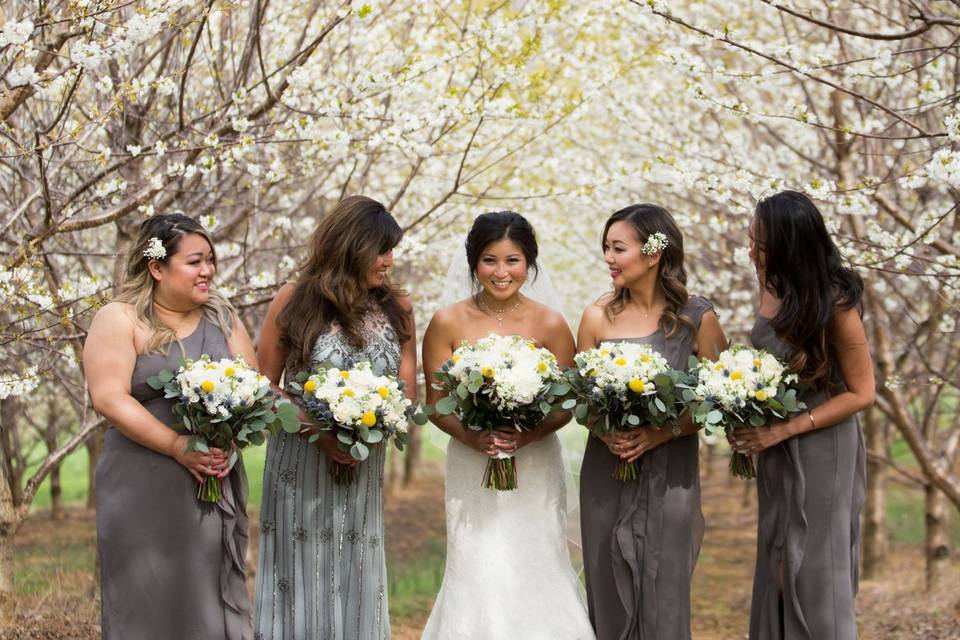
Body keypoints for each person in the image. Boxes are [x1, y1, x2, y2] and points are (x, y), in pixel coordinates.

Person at [420, 211, 594, 640]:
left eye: (513, 260)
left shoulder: (550, 322)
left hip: (534, 463)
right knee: (476, 563)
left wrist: (526, 434)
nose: (501, 272)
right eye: (490, 260)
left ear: (529, 263)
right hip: (470, 464)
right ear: (473, 263)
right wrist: (473, 436)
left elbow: (567, 402)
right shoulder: (446, 322)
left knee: (536, 559)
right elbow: (436, 404)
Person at [252, 195, 416, 639]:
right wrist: (319, 431)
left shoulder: (397, 306)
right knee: (301, 574)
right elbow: (263, 386)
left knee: (357, 570)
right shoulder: (293, 299)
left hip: (364, 463)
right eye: (381, 249)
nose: (389, 261)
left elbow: (406, 391)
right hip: (300, 463)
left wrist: (373, 430)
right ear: (351, 246)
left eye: (391, 250)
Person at [84, 213, 254, 639]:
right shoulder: (121, 319)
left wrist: (227, 441)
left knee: (205, 603)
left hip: (210, 481)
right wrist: (177, 445)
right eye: (195, 261)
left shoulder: (223, 319)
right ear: (157, 268)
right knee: (146, 601)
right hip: (141, 485)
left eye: (211, 260)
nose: (208, 271)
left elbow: (254, 391)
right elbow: (108, 397)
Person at [577, 204, 726, 640]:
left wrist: (660, 433)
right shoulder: (596, 316)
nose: (608, 257)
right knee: (607, 586)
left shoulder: (698, 318)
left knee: (664, 586)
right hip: (607, 467)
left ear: (654, 252)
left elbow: (715, 399)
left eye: (618, 248)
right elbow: (578, 395)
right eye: (606, 247)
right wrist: (608, 434)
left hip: (670, 473)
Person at [731, 190, 874, 640]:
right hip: (775, 440)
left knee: (814, 568)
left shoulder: (835, 301)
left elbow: (863, 392)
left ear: (791, 245)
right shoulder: (770, 284)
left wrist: (784, 431)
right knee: (777, 560)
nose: (751, 250)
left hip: (822, 443)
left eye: (761, 243)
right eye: (751, 239)